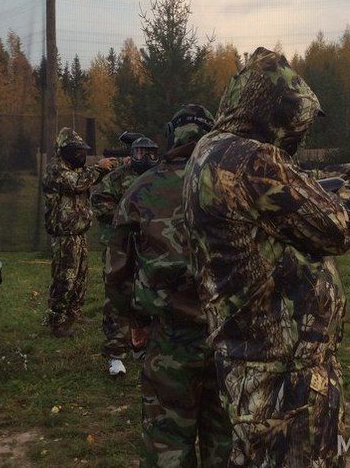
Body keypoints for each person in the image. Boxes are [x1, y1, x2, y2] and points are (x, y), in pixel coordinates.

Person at [182, 48, 350, 466]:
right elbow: (336, 226)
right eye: (296, 121)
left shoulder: (217, 151)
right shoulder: (248, 159)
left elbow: (299, 187)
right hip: (282, 376)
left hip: (263, 363)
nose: (300, 132)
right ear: (272, 113)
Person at [106, 105, 232, 467]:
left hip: (169, 340)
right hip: (230, 339)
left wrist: (134, 321)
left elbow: (117, 272)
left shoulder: (141, 189)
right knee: (227, 442)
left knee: (167, 445)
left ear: (169, 137)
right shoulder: (234, 184)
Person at [92, 136, 159, 377]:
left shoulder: (158, 178)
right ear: (132, 154)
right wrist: (128, 217)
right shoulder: (117, 177)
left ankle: (143, 345)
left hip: (150, 245)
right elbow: (100, 203)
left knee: (149, 295)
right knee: (118, 296)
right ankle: (115, 354)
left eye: (150, 153)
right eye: (139, 152)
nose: (144, 158)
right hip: (119, 245)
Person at [42, 127, 116, 337]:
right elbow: (77, 183)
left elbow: (85, 178)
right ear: (65, 151)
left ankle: (73, 314)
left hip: (78, 232)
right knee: (65, 278)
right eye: (77, 152)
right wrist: (100, 167)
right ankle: (57, 321)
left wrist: (112, 164)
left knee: (80, 277)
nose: (80, 156)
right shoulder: (56, 169)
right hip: (64, 234)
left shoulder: (76, 169)